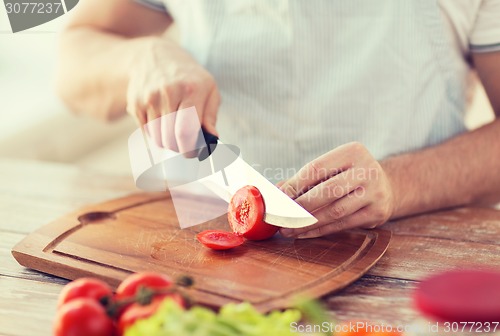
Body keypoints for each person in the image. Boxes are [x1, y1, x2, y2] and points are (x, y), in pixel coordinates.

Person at [56, 0, 500, 239]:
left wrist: (401, 183)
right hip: (218, 240)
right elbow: (73, 63)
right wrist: (140, 59)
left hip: (413, 248)